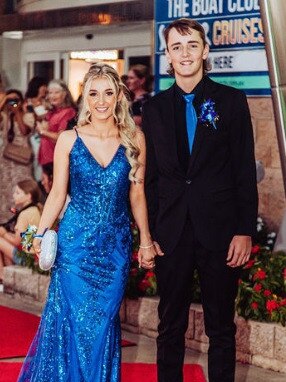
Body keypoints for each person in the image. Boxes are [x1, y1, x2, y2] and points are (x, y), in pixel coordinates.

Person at [18, 62, 157, 381]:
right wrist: (39, 235)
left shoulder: (134, 138)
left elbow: (137, 195)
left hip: (114, 250)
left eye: (108, 92)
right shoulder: (69, 139)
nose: (101, 100)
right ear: (85, 98)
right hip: (75, 248)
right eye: (93, 93)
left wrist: (146, 240)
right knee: (76, 322)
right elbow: (56, 195)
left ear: (119, 96)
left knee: (103, 325)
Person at [142, 18, 258, 382]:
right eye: (176, 47)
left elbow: (243, 171)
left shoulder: (232, 100)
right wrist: (149, 233)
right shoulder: (154, 108)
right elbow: (150, 178)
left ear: (205, 51)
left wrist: (243, 230)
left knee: (221, 328)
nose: (185, 53)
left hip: (221, 233)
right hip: (171, 234)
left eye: (192, 45)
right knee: (169, 327)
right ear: (168, 57)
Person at [0, 89, 32, 222]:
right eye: (10, 100)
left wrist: (17, 111)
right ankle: (6, 223)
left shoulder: (28, 116)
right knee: (6, 192)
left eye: (15, 100)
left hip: (21, 162)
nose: (13, 103)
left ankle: (20, 222)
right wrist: (3, 102)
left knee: (21, 190)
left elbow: (25, 131)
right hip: (6, 162)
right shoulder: (4, 117)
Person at [0, 179, 42, 280]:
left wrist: (3, 233)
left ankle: (1, 277)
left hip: (27, 259)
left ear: (28, 196)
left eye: (17, 193)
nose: (14, 195)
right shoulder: (34, 210)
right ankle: (8, 277)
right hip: (33, 257)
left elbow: (16, 241)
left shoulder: (24, 214)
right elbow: (26, 240)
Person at [37, 79, 77, 165]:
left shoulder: (68, 112)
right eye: (50, 93)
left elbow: (61, 137)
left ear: (64, 94)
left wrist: (42, 131)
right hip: (46, 160)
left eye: (56, 92)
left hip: (57, 160)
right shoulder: (51, 112)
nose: (52, 96)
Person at [23, 76, 49, 181]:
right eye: (43, 86)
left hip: (46, 134)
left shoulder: (47, 102)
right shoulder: (27, 103)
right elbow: (26, 119)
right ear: (37, 87)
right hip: (33, 136)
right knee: (34, 159)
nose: (45, 89)